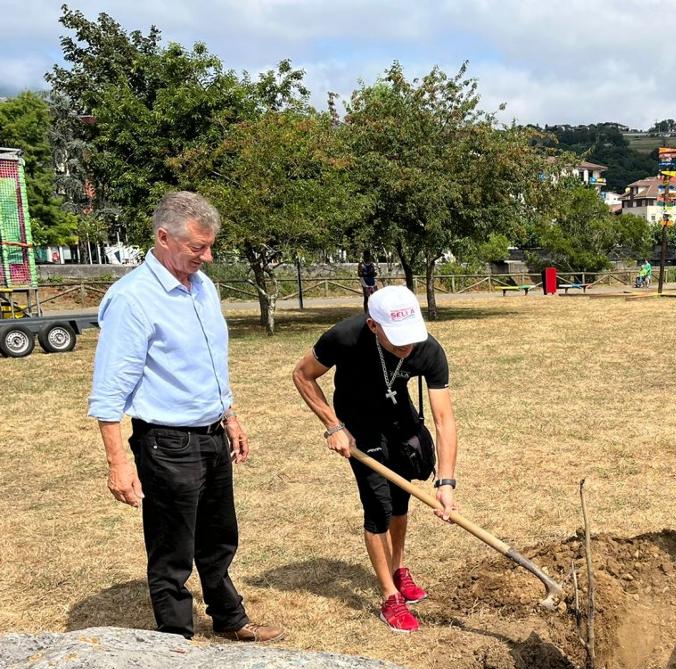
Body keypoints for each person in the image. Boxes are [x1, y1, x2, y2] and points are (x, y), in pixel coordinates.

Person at [87, 191, 281, 642]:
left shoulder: (203, 287)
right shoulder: (133, 300)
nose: (207, 257)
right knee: (172, 548)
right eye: (198, 247)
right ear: (163, 237)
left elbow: (209, 362)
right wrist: (119, 463)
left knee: (219, 535)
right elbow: (108, 393)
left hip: (212, 434)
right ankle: (175, 640)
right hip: (167, 443)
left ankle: (230, 618)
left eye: (210, 246)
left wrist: (228, 416)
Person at [292, 285, 458, 632]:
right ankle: (389, 596)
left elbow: (444, 420)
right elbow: (302, 375)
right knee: (378, 507)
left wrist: (446, 482)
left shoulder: (427, 348)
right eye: (398, 342)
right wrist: (333, 426)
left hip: (401, 422)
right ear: (373, 325)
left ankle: (397, 569)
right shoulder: (344, 336)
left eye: (410, 339)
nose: (407, 348)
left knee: (400, 502)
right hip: (359, 427)